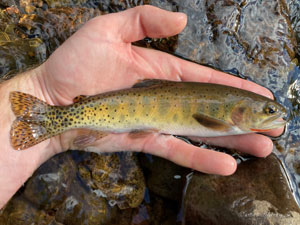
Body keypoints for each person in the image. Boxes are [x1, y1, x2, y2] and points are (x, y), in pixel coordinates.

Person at [0, 5, 283, 209]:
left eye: (268, 111)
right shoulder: (224, 123)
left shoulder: (230, 115)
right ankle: (53, 120)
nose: (275, 115)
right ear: (241, 110)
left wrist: (38, 88)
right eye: (268, 111)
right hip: (107, 112)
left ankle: (50, 120)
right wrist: (43, 87)